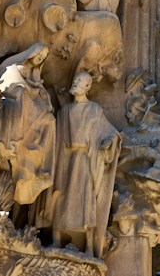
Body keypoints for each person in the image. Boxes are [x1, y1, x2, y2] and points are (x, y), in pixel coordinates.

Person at [50, 72, 121, 256]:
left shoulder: (94, 110)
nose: (75, 83)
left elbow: (111, 133)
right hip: (66, 160)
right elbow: (57, 139)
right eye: (75, 80)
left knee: (87, 200)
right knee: (60, 197)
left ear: (88, 87)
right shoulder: (64, 111)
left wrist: (109, 143)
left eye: (79, 82)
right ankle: (55, 240)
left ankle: (89, 246)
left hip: (85, 160)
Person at [0, 43, 56, 205]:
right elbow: (9, 79)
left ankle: (38, 149)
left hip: (30, 106)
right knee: (21, 93)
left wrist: (39, 92)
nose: (39, 59)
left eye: (42, 58)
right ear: (31, 53)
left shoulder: (35, 74)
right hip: (15, 98)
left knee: (50, 119)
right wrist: (30, 89)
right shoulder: (17, 66)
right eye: (38, 55)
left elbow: (38, 91)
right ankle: (17, 139)